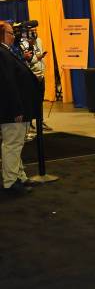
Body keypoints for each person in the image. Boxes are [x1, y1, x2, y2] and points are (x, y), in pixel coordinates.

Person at [0, 21, 39, 195]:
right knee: (12, 145)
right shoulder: (1, 53)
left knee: (17, 144)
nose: (13, 36)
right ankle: (10, 182)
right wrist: (16, 109)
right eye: (9, 33)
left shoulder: (6, 52)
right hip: (12, 110)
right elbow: (8, 84)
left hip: (17, 107)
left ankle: (19, 177)